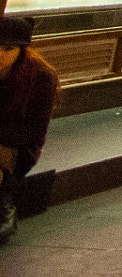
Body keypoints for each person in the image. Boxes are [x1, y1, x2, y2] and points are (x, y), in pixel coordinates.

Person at [0, 18, 58, 243]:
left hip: (20, 148)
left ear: (22, 50)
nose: (1, 55)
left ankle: (4, 205)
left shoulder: (40, 76)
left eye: (8, 48)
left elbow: (33, 132)